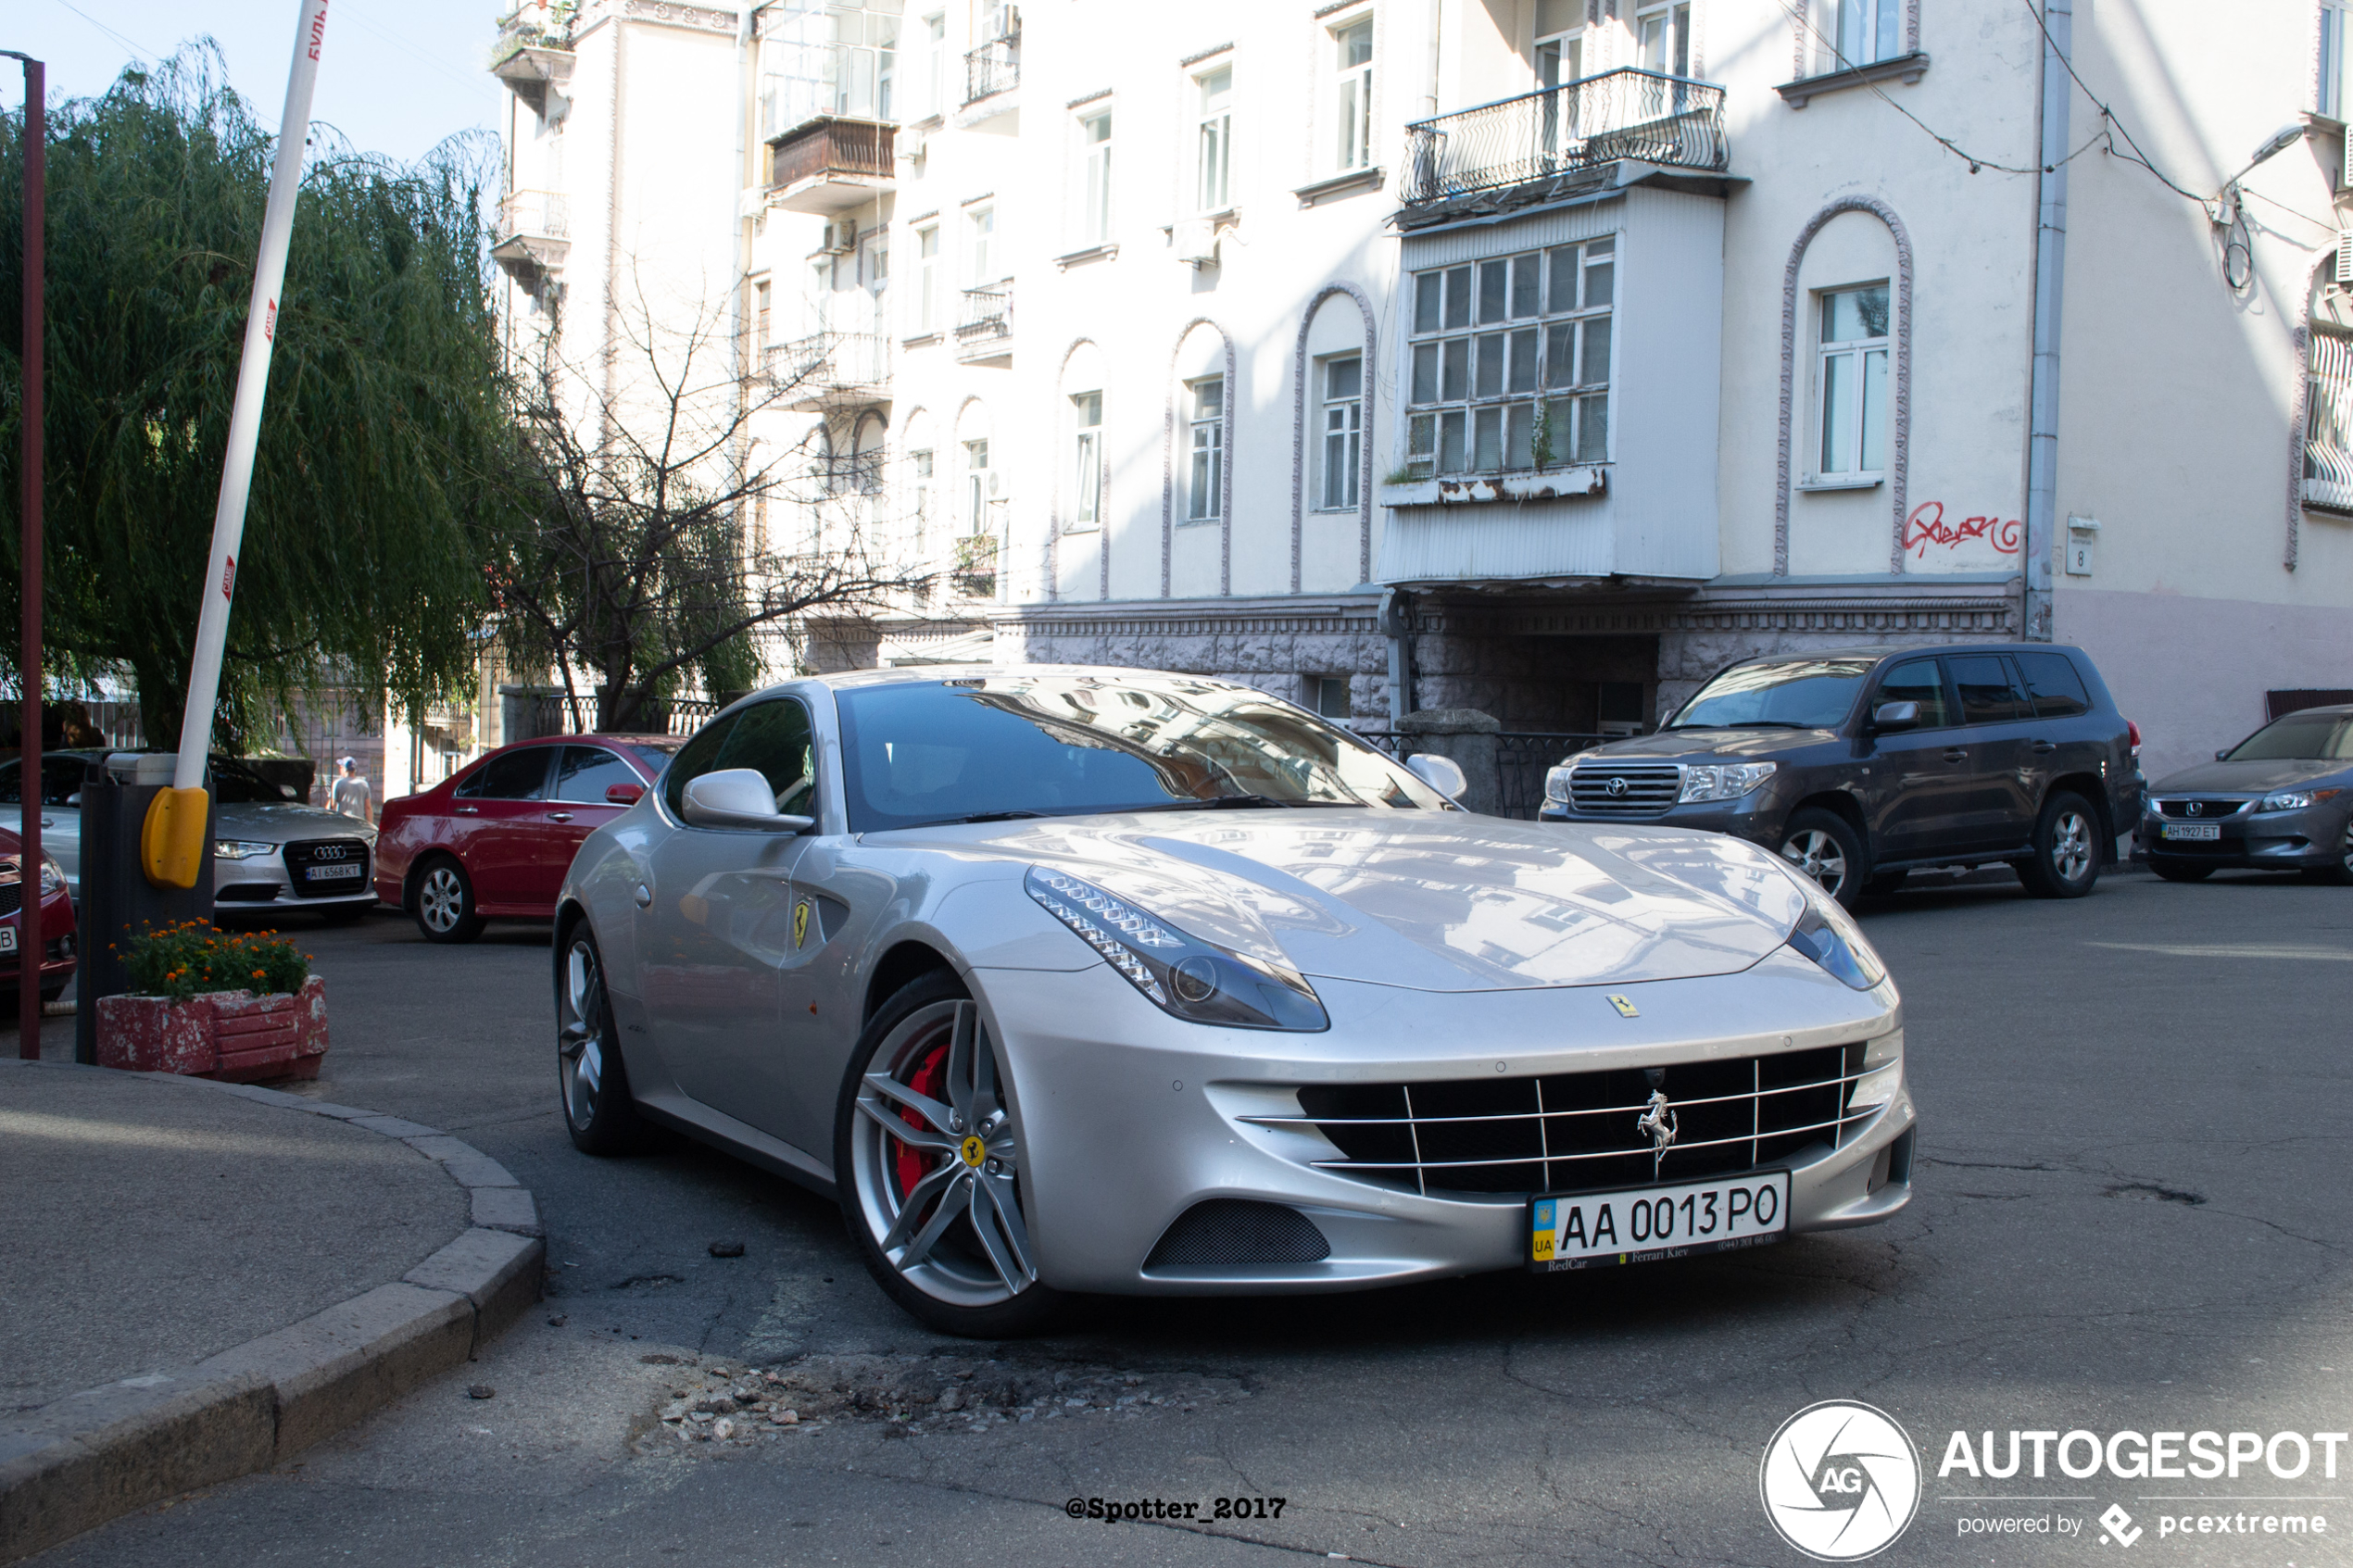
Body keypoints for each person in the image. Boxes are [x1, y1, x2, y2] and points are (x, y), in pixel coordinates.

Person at [332, 756, 373, 825]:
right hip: (358, 824)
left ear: (345, 769)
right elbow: (368, 807)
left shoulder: (338, 783)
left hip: (342, 823)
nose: (340, 769)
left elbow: (332, 806)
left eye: (341, 767)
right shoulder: (364, 784)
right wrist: (371, 825)